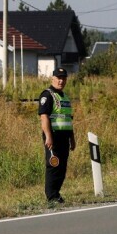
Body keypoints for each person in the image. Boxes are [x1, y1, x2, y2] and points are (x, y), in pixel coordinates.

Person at [38, 67, 75, 204]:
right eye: (58, 78)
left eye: (63, 78)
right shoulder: (47, 95)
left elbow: (68, 119)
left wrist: (72, 138)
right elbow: (44, 117)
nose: (61, 81)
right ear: (52, 79)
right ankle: (51, 196)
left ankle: (56, 193)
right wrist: (48, 136)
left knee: (62, 167)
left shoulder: (64, 96)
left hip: (64, 136)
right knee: (54, 165)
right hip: (53, 136)